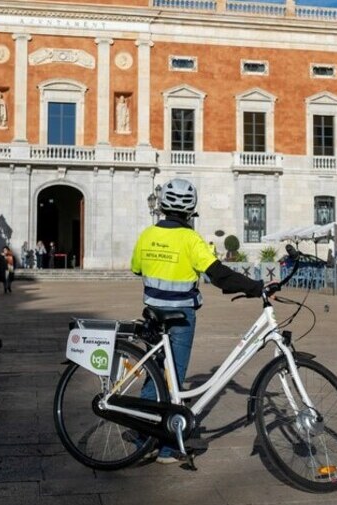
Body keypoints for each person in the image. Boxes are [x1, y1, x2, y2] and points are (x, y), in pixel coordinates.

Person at [131, 178, 274, 464]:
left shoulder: (147, 235)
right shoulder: (191, 240)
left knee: (156, 372)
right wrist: (256, 287)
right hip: (181, 315)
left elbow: (136, 269)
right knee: (174, 377)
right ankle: (168, 445)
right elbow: (219, 275)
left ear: (161, 206)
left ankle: (141, 433)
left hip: (153, 311)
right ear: (190, 211)